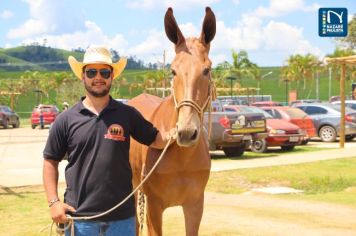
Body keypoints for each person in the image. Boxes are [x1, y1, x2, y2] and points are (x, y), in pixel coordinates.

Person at [42, 45, 174, 236]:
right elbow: (50, 161)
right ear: (83, 76)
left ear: (112, 76)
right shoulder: (66, 119)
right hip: (80, 219)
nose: (98, 78)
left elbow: (155, 139)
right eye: (91, 72)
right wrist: (54, 202)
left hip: (122, 220)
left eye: (104, 72)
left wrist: (179, 132)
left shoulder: (127, 114)